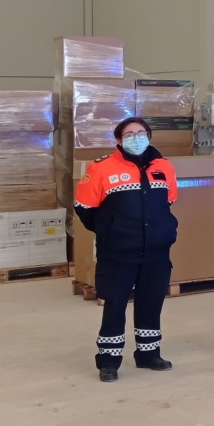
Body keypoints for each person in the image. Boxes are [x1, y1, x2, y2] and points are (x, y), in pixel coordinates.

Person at [74, 117, 179, 382]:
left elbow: (169, 200)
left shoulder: (163, 166)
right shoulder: (102, 168)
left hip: (156, 250)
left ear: (149, 136)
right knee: (115, 304)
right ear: (119, 140)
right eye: (129, 134)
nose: (136, 137)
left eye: (141, 132)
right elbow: (84, 208)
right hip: (119, 252)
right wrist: (109, 229)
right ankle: (109, 361)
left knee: (151, 302)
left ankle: (148, 354)